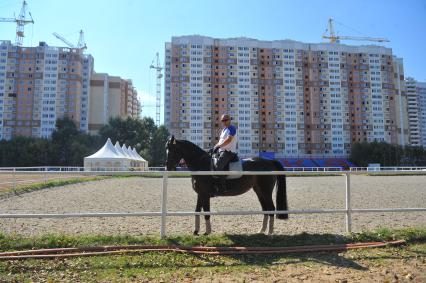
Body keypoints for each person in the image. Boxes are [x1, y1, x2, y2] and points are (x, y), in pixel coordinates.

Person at [211, 114, 238, 195]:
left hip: (228, 152)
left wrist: (219, 146)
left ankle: (223, 188)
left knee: (218, 166)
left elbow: (229, 140)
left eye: (226, 120)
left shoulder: (232, 128)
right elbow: (220, 142)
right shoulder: (223, 130)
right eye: (223, 120)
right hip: (221, 151)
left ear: (230, 120)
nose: (224, 122)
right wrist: (214, 148)